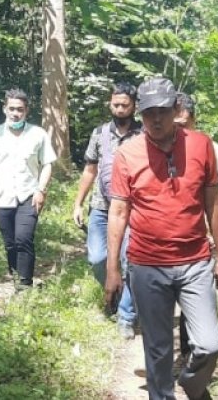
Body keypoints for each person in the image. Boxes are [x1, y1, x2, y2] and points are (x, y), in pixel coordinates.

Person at [104, 77, 218, 400]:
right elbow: (118, 212)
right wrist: (112, 269)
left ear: (175, 109)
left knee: (209, 344)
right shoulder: (127, 154)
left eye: (162, 111)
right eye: (148, 113)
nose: (155, 119)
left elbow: (213, 200)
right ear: (140, 114)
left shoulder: (201, 145)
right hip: (147, 265)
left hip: (195, 262)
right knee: (158, 351)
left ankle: (192, 384)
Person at [72, 82, 143, 339]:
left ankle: (126, 315)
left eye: (125, 105)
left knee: (129, 261)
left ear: (134, 106)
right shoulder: (99, 133)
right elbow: (90, 169)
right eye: (116, 104)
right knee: (97, 258)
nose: (120, 109)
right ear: (110, 104)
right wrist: (78, 202)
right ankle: (113, 289)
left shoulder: (144, 135)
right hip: (101, 207)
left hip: (133, 209)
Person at [0, 88, 57, 289]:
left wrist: (41, 190)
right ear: (5, 109)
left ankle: (25, 284)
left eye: (20, 109)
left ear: (26, 111)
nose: (15, 113)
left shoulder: (38, 134)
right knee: (10, 242)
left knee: (23, 238)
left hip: (28, 195)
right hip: (3, 197)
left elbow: (47, 163)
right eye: (11, 109)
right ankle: (15, 275)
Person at [175, 92, 218, 361]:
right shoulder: (157, 148)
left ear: (194, 119)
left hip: (202, 234)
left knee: (197, 295)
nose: (178, 128)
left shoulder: (210, 148)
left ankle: (194, 351)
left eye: (183, 122)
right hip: (170, 238)